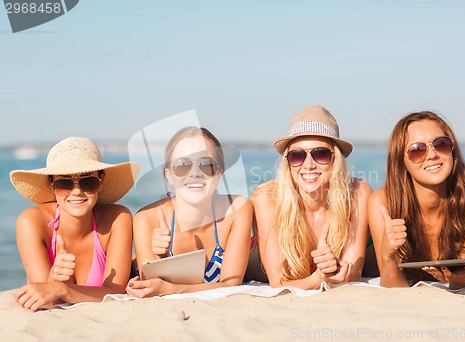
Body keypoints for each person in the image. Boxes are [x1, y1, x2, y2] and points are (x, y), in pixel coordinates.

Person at [10, 137, 140, 311]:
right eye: (64, 182)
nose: (77, 191)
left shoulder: (118, 218)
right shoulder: (31, 223)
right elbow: (43, 297)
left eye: (87, 181)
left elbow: (115, 292)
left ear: (101, 181)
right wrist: (52, 279)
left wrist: (62, 289)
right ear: (51, 184)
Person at [367, 111, 465, 289]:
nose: (432, 154)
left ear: (452, 150)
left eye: (441, 144)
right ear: (401, 162)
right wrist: (387, 256)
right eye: (417, 150)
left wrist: (456, 278)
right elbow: (392, 287)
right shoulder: (382, 202)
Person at [252, 105, 371, 290]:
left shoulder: (357, 193)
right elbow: (278, 283)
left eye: (320, 154)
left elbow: (353, 275)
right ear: (288, 163)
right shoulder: (267, 198)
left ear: (335, 159)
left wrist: (336, 270)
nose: (308, 165)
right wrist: (319, 278)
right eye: (297, 155)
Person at [127, 126, 252, 297]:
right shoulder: (147, 219)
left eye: (206, 165)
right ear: (169, 175)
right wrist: (159, 258)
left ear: (220, 173)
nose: (195, 173)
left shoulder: (237, 209)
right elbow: (152, 287)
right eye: (183, 165)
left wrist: (172, 289)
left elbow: (231, 284)